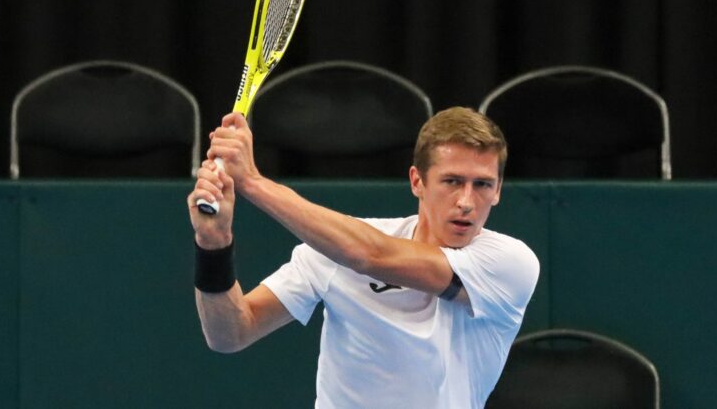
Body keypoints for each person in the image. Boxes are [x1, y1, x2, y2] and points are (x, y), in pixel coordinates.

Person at [187, 106, 539, 408]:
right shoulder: (333, 246)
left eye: (482, 185)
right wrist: (213, 243)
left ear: (498, 191)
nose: (466, 201)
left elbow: (367, 254)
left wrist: (251, 182)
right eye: (452, 181)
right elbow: (230, 334)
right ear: (417, 181)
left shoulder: (510, 263)